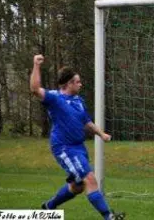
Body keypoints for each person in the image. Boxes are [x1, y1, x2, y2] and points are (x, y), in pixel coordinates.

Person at [30, 54, 125, 220]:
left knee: (77, 186)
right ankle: (109, 216)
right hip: (64, 147)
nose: (81, 84)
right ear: (68, 84)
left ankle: (49, 207)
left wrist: (101, 134)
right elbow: (35, 89)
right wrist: (36, 65)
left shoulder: (78, 101)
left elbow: (86, 122)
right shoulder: (54, 98)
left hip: (79, 147)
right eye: (78, 81)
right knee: (90, 179)